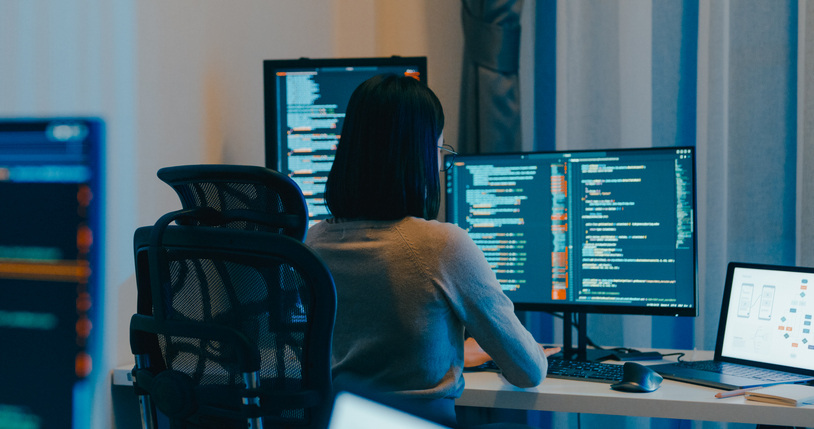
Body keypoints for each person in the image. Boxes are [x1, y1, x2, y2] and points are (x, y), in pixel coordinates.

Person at [304, 74, 559, 426]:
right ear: (420, 156)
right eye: (439, 152)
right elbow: (528, 370)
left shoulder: (314, 243)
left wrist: (451, 353)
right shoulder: (443, 245)